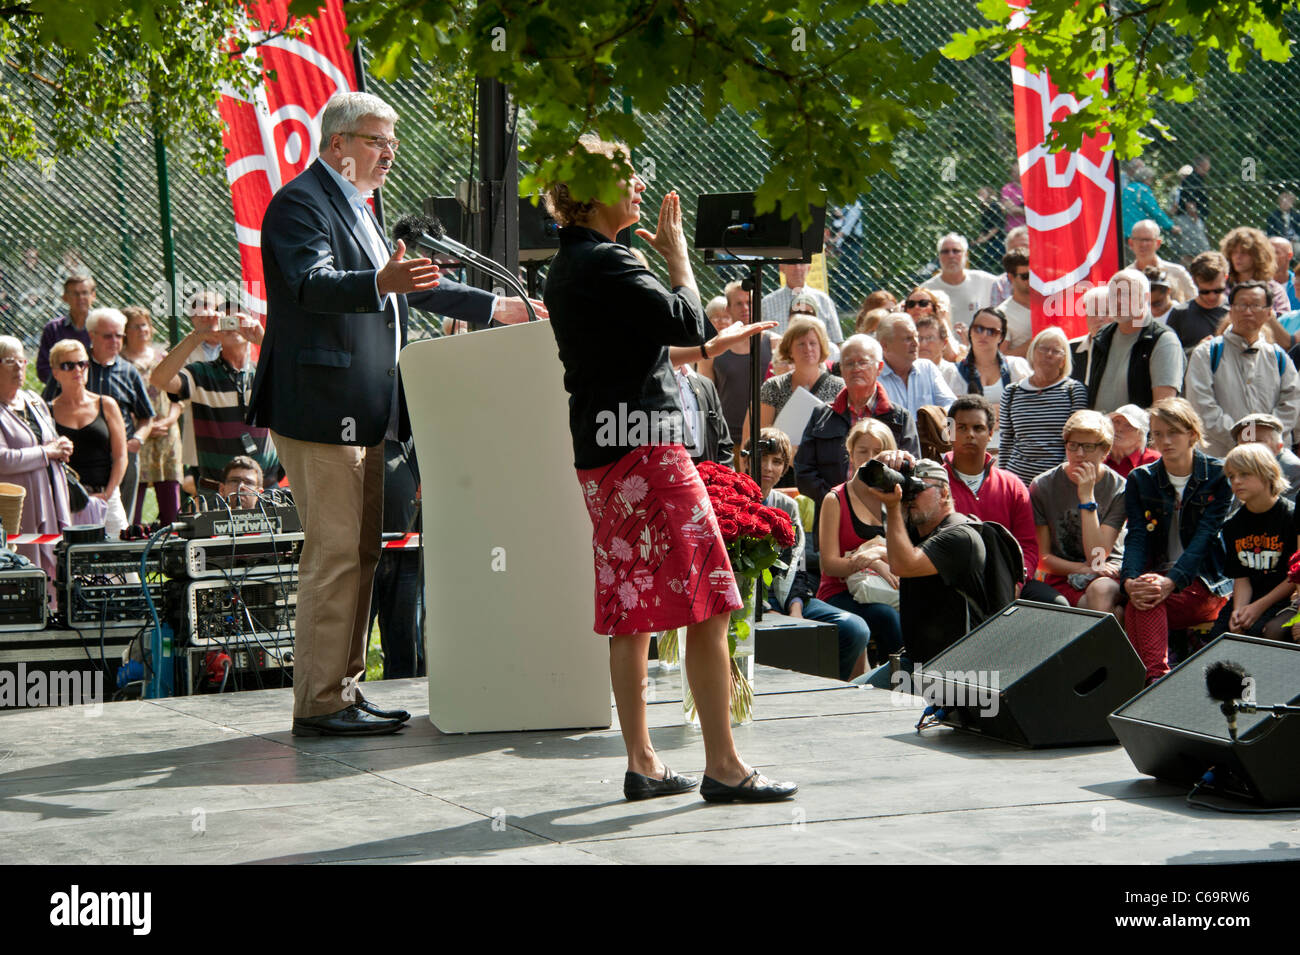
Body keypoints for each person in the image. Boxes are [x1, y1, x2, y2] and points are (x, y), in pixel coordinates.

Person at [247, 91, 543, 737]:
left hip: (370, 411)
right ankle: (321, 700)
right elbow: (307, 284)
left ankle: (344, 690)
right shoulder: (300, 203)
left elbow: (419, 281)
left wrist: (496, 308)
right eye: (377, 140)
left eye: (393, 142)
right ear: (337, 145)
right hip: (321, 410)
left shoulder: (359, 207)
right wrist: (380, 282)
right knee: (335, 554)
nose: (389, 153)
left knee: (361, 553)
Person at [543, 136, 796, 803]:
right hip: (650, 455)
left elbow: (637, 351)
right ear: (590, 191)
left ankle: (644, 761)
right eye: (623, 174)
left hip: (603, 455)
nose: (636, 183)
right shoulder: (610, 261)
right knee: (708, 604)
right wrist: (677, 254)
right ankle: (725, 764)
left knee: (632, 609)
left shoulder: (569, 264)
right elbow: (683, 317)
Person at [747, 427, 876, 680]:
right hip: (751, 604)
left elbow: (797, 564)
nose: (768, 468)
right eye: (762, 459)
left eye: (777, 462)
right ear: (746, 460)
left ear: (785, 468)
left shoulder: (788, 506)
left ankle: (832, 685)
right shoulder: (735, 501)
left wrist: (795, 609)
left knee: (856, 628)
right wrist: (766, 610)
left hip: (789, 599)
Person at [1121, 398, 1231, 684]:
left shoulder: (1218, 476)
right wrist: (1130, 580)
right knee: (1138, 599)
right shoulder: (1140, 479)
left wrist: (1171, 582)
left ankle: (1151, 681)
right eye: (1157, 433)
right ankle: (1153, 680)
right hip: (1156, 576)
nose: (1164, 441)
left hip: (1204, 581)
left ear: (1192, 434)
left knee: (1145, 603)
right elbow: (1136, 537)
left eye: (1173, 433)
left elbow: (1205, 539)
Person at [862, 454, 1009, 668]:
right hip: (918, 662)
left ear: (944, 494)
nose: (909, 497)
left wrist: (893, 507)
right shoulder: (914, 530)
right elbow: (860, 489)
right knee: (857, 696)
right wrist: (883, 460)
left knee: (877, 698)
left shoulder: (960, 537)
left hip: (960, 671)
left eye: (918, 489)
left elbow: (903, 565)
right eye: (907, 491)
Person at [796, 334, 921, 538]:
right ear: (840, 369)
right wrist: (838, 500)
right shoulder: (821, 415)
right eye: (849, 363)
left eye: (863, 362)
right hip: (834, 521)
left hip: (886, 521)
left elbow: (914, 469)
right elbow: (804, 473)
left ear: (879, 367)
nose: (856, 368)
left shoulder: (899, 418)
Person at [943, 394, 1063, 604]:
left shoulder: (1013, 485)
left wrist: (1016, 583)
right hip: (952, 583)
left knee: (1057, 605)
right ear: (950, 432)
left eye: (978, 428)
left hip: (1008, 580)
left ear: (990, 433)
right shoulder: (935, 482)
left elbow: (1028, 546)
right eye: (961, 428)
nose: (970, 434)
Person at [151, 305, 281, 489]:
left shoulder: (265, 370)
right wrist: (196, 336)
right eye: (225, 322)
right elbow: (159, 380)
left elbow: (300, 377)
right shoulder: (201, 373)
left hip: (265, 487)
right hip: (216, 488)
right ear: (216, 333)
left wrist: (262, 339)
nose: (232, 327)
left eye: (238, 321)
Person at [44, 307, 155, 518]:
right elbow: (46, 406)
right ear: (92, 335)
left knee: (121, 520)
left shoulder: (128, 371)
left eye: (119, 336)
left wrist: (138, 439)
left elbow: (146, 415)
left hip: (121, 457)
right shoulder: (74, 363)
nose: (114, 341)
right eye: (108, 336)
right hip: (76, 469)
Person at [815, 419, 903, 679]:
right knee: (885, 616)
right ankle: (903, 681)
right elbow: (829, 565)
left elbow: (908, 550)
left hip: (889, 587)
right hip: (840, 592)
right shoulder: (835, 499)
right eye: (863, 451)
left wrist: (878, 554)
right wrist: (867, 559)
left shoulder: (896, 496)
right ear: (851, 454)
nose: (869, 458)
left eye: (878, 452)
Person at [1184, 282, 1300, 458]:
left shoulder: (1278, 357)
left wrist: (1266, 438)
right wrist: (1245, 439)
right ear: (1230, 310)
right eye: (1242, 305)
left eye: (1255, 305)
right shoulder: (1207, 354)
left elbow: (1291, 403)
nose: (1248, 311)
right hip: (1221, 459)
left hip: (1272, 459)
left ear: (1269, 312)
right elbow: (1203, 407)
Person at [1030, 410, 1127, 612]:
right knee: (1113, 614)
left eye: (1088, 447)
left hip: (1106, 572)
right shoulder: (1043, 486)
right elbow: (1043, 557)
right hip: (1063, 574)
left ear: (1105, 451)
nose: (1079, 454)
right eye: (1072, 446)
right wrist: (1081, 568)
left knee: (1101, 593)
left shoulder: (1119, 488)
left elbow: (1097, 557)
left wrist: (1087, 498)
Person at [0, 335, 71, 590]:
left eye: (22, 360)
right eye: (10, 361)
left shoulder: (33, 399)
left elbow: (48, 440)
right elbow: (3, 459)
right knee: (25, 572)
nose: (19, 367)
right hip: (17, 510)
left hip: (51, 498)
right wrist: (46, 453)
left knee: (56, 567)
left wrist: (60, 446)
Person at [1211, 443, 1300, 641]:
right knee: (1221, 635)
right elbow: (1241, 578)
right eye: (1232, 476)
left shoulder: (1291, 518)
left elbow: (1294, 577)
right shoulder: (1233, 525)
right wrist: (1240, 611)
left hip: (1283, 598)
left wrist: (1257, 608)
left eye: (1244, 474)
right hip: (1249, 597)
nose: (1237, 482)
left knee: (1262, 633)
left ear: (1267, 473)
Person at [48, 338, 129, 539]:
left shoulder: (106, 404)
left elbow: (121, 456)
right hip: (68, 499)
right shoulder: (47, 411)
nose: (78, 370)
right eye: (68, 365)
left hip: (106, 494)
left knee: (125, 562)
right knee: (73, 563)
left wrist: (108, 494)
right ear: (55, 372)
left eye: (82, 364)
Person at [998, 326, 1089, 486]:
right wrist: (1003, 479)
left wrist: (1063, 478)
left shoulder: (1074, 390)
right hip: (1017, 480)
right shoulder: (1012, 391)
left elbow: (1076, 439)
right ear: (1033, 352)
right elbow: (1006, 440)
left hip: (1055, 483)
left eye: (1056, 351)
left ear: (1063, 360)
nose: (1049, 354)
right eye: (1044, 349)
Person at [1083, 268, 1183, 413]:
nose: (1117, 301)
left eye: (1125, 294)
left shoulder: (1162, 340)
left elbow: (1163, 409)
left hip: (1139, 434)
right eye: (1113, 294)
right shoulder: (1102, 337)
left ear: (1146, 297)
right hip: (1100, 433)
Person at [122, 305, 183, 525]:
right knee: (132, 508)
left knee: (171, 507)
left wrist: (168, 421)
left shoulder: (164, 358)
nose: (142, 330)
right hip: (136, 436)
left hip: (167, 436)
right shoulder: (120, 362)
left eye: (145, 324)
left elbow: (178, 399)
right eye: (135, 326)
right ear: (125, 331)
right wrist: (144, 427)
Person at [698, 279, 778, 444]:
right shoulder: (713, 348)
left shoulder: (775, 345)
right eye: (739, 304)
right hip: (728, 439)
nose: (745, 308)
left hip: (769, 439)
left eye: (749, 302)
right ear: (728, 308)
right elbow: (704, 398)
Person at [946, 306, 1031, 453]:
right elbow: (947, 419)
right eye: (979, 328)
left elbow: (1032, 409)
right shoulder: (952, 373)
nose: (984, 334)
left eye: (992, 331)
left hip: (1012, 451)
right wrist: (994, 412)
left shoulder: (1016, 366)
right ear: (971, 331)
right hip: (968, 451)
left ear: (1001, 337)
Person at [752, 316, 843, 440]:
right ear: (790, 350)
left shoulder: (839, 388)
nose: (808, 349)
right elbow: (760, 436)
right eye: (801, 344)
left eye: (813, 343)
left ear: (821, 348)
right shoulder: (773, 387)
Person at [876, 313, 956, 416]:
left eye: (916, 337)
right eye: (908, 339)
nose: (916, 343)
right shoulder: (874, 377)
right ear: (885, 345)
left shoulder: (927, 368)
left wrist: (934, 419)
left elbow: (950, 405)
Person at [922, 233, 999, 330]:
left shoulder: (986, 281)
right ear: (939, 257)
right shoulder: (927, 290)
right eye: (945, 251)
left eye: (956, 251)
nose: (951, 255)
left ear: (966, 255)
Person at [762, 262, 841, 344]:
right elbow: (762, 342)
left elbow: (836, 341)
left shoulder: (823, 301)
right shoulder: (767, 304)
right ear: (781, 267)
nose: (797, 268)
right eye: (792, 263)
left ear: (809, 267)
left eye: (802, 263)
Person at [35, 275, 95, 384]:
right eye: (75, 294)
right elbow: (43, 368)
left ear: (93, 296)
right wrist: (67, 383)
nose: (80, 297)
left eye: (85, 293)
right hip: (60, 392)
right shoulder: (53, 328)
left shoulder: (102, 327)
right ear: (65, 297)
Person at [1220, 226, 1291, 317]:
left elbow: (1283, 322)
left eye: (1244, 252)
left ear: (1258, 256)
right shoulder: (1221, 288)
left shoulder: (1274, 290)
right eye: (1234, 252)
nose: (1238, 257)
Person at [1167, 251, 1229, 353]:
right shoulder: (1180, 314)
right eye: (1205, 292)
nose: (1212, 297)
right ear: (1194, 282)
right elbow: (1170, 355)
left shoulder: (1234, 311)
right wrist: (1197, 351)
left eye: (1218, 290)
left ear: (1225, 278)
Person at [1231, 412, 1300, 503]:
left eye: (1258, 442)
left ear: (1278, 447)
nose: (1250, 450)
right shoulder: (1232, 468)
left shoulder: (1293, 469)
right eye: (1244, 444)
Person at [1127, 220, 1196, 303]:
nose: (1143, 244)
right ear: (1131, 243)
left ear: (1158, 243)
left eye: (1148, 240)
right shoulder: (1124, 277)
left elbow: (1194, 303)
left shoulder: (1177, 273)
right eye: (1139, 240)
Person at [1105, 404, 1160, 478]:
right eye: (1116, 422)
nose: (1119, 429)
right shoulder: (1097, 458)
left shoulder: (1154, 461)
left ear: (1141, 435)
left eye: (1128, 425)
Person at [995, 248, 1033, 356]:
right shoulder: (1002, 314)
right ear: (1011, 277)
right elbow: (1000, 357)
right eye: (1025, 276)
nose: (1031, 280)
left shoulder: (1049, 304)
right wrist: (1035, 343)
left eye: (1034, 275)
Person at [987, 225, 1029, 307]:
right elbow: (996, 317)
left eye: (1025, 247)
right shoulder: (1000, 285)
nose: (1020, 252)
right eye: (1015, 249)